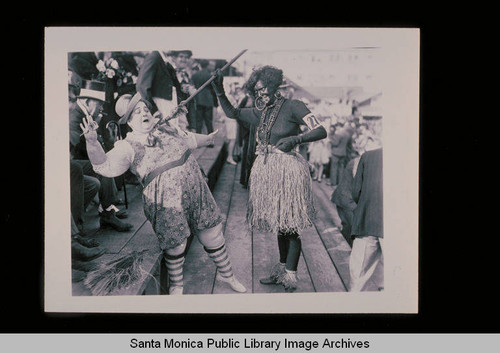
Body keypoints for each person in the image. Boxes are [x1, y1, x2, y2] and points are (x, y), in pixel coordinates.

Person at [80, 92, 246, 295]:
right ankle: (177, 285)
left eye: (146, 109)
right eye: (137, 112)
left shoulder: (168, 128)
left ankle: (226, 274)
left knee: (213, 234)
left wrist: (209, 139)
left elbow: (191, 140)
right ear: (129, 122)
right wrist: (92, 143)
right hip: (167, 202)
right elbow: (103, 165)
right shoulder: (127, 146)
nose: (144, 113)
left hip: (197, 192)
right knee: (176, 244)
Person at [211, 66, 327, 292]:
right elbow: (233, 113)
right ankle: (282, 270)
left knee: (291, 226)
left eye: (263, 89)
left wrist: (297, 139)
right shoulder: (260, 112)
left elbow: (321, 130)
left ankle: (290, 276)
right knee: (280, 225)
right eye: (256, 91)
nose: (260, 94)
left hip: (289, 173)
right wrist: (219, 90)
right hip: (268, 172)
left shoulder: (294, 106)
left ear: (274, 86)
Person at [70, 80, 133, 233]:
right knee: (101, 165)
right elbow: (74, 149)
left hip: (78, 159)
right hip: (71, 163)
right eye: (99, 103)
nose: (102, 108)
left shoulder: (84, 113)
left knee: (103, 162)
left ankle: (108, 210)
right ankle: (107, 213)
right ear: (86, 101)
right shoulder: (74, 116)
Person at [349, 146, 383, 291]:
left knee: (358, 275)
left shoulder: (369, 156)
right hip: (400, 224)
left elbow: (356, 192)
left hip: (368, 217)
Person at [135, 50, 193, 133]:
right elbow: (142, 86)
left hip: (169, 108)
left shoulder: (165, 61)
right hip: (161, 109)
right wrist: (153, 111)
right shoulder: (154, 57)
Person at [192, 60, 219, 135]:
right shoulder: (210, 76)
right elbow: (214, 91)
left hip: (198, 99)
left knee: (198, 121)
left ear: (200, 65)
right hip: (208, 100)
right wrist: (215, 103)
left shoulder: (194, 75)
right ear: (207, 66)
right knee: (209, 122)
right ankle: (210, 141)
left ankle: (199, 140)